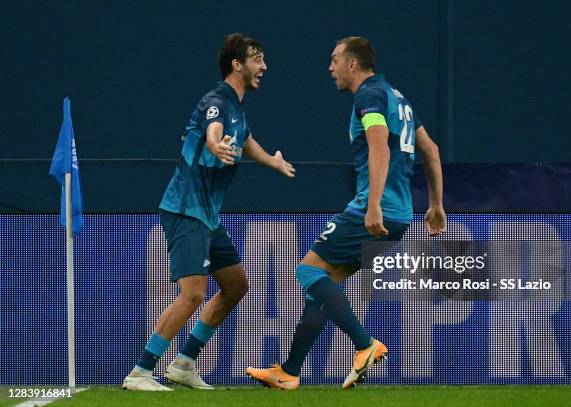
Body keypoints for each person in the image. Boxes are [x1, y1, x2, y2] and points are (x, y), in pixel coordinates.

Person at [246, 36, 446, 390]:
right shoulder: (398, 97)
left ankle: (365, 344)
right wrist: (435, 204)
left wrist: (372, 206)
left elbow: (379, 146)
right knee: (322, 287)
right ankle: (289, 371)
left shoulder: (369, 96)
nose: (330, 67)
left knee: (307, 270)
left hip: (376, 209)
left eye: (335, 59)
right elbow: (430, 149)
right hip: (400, 214)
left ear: (353, 64)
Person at [123, 33, 295, 391]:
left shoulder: (238, 108)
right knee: (193, 294)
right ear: (237, 64)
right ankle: (140, 371)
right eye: (257, 59)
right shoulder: (216, 102)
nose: (264, 66)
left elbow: (246, 142)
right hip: (186, 211)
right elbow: (213, 129)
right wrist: (215, 144)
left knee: (235, 285)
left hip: (209, 217)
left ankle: (184, 363)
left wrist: (271, 162)